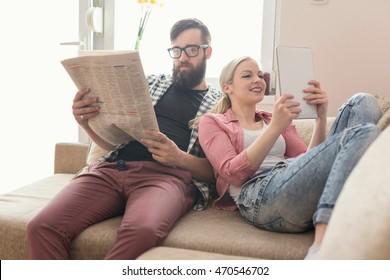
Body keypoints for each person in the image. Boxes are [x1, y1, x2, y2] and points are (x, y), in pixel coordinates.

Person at [27, 18, 222, 260]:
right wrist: (85, 123)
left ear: (208, 52)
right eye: (177, 50)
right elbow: (115, 142)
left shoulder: (220, 103)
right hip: (111, 168)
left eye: (192, 50)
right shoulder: (149, 83)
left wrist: (179, 158)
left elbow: (220, 173)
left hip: (165, 177)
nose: (183, 57)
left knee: (142, 230)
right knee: (42, 227)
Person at [197, 56, 382, 259]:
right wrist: (276, 127)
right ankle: (322, 244)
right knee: (365, 133)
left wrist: (320, 117)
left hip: (291, 178)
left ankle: (347, 209)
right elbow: (233, 174)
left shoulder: (273, 117)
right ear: (227, 87)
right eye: (247, 75)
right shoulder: (212, 122)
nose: (257, 79)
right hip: (258, 194)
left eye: (260, 75)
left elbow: (308, 160)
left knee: (362, 101)